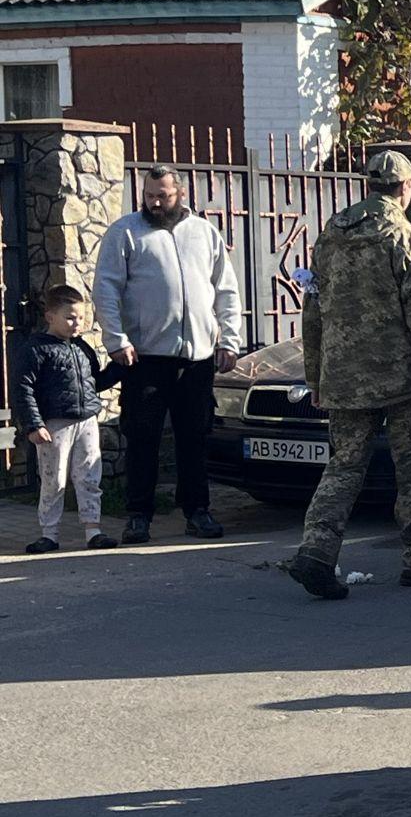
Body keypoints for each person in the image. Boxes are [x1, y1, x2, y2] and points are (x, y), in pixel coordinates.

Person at [286, 151, 411, 601]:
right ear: (406, 188)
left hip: (343, 378)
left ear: (368, 187)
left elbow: (312, 309)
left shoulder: (330, 236)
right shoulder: (409, 239)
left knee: (343, 467)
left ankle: (317, 551)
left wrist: (316, 378)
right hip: (402, 381)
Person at [91, 164, 241, 544]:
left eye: (164, 196)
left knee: (195, 436)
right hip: (144, 358)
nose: (156, 203)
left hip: (198, 359)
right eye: (149, 196)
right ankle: (139, 515)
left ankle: (197, 511)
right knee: (143, 438)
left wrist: (229, 341)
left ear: (182, 194)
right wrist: (116, 339)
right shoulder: (125, 233)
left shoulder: (204, 233)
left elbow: (226, 290)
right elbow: (105, 290)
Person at [14, 285, 120, 553]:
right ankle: (49, 533)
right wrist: (34, 424)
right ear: (50, 316)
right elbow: (23, 388)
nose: (77, 323)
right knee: (54, 478)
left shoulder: (82, 347)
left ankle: (93, 529)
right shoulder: (36, 349)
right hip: (54, 423)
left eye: (81, 317)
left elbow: (94, 382)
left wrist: (121, 368)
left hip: (86, 420)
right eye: (70, 317)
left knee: (88, 475)